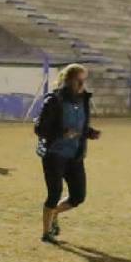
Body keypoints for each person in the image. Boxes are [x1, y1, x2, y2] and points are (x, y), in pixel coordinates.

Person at [34, 63, 100, 243]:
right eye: (79, 80)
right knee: (54, 193)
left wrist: (89, 133)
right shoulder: (54, 100)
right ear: (68, 80)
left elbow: (80, 127)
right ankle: (46, 233)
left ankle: (54, 213)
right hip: (54, 154)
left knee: (78, 196)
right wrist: (61, 133)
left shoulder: (84, 100)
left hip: (75, 154)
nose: (82, 85)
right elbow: (40, 129)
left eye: (84, 81)